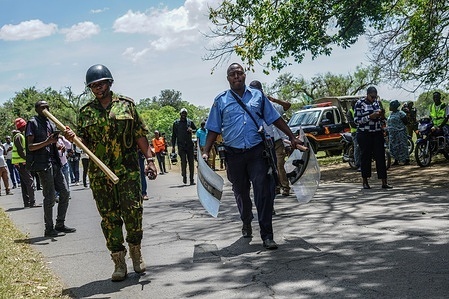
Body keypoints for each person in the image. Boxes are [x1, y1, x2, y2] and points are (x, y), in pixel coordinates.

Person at [65, 64, 158, 282]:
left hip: (128, 172)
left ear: (110, 83)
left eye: (101, 84)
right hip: (100, 175)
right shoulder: (86, 112)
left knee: (133, 213)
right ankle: (118, 261)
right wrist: (73, 139)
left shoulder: (127, 106)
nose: (98, 88)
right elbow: (84, 142)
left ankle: (136, 252)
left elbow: (140, 135)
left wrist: (150, 160)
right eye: (93, 86)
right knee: (109, 218)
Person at [201, 63, 306, 250]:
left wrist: (291, 137)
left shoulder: (258, 96)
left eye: (239, 73)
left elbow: (274, 118)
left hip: (257, 151)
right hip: (233, 155)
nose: (236, 77)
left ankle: (267, 235)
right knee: (240, 192)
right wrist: (206, 150)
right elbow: (213, 128)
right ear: (228, 78)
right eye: (232, 74)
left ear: (244, 76)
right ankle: (246, 220)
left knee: (263, 191)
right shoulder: (221, 100)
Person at [26, 100, 76, 237]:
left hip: (55, 163)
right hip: (43, 165)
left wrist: (57, 145)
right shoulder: (32, 123)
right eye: (42, 107)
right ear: (37, 109)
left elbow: (53, 141)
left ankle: (60, 223)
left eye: (47, 107)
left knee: (65, 192)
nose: (46, 109)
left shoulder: (50, 123)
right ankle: (49, 228)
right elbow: (30, 147)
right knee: (50, 197)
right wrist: (47, 142)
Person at [249, 80, 292, 197]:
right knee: (266, 168)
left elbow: (287, 105)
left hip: (276, 141)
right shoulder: (249, 106)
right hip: (260, 141)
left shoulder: (271, 105)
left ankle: (285, 186)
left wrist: (273, 99)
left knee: (279, 164)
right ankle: (275, 187)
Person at [354, 86, 392, 189]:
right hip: (365, 133)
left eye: (375, 97)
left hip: (377, 132)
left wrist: (382, 116)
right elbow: (356, 120)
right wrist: (370, 116)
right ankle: (365, 182)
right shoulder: (359, 104)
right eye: (372, 97)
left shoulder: (377, 103)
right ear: (367, 94)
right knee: (365, 157)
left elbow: (383, 120)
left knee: (380, 157)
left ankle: (384, 182)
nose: (374, 99)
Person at [12, 118, 36, 207]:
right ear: (23, 126)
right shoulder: (19, 136)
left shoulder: (19, 135)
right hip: (22, 163)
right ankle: (32, 202)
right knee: (30, 182)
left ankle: (27, 202)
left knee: (24, 183)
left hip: (20, 163)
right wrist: (27, 159)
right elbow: (20, 150)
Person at [171, 108, 197, 185]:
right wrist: (173, 146)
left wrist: (192, 130)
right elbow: (174, 135)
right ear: (180, 114)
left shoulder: (190, 122)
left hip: (189, 145)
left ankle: (191, 180)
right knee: (183, 162)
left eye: (185, 113)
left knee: (191, 163)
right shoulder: (176, 123)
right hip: (181, 145)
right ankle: (184, 176)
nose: (184, 115)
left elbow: (196, 129)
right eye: (182, 113)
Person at [387, 100, 410, 165]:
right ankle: (396, 160)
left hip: (400, 132)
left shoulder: (401, 113)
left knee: (402, 146)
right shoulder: (391, 114)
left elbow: (405, 122)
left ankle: (406, 159)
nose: (390, 107)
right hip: (392, 133)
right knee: (393, 146)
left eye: (391, 106)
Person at [347, 99, 361, 171]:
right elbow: (351, 123)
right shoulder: (350, 112)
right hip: (355, 132)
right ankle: (358, 164)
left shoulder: (361, 110)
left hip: (362, 131)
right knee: (357, 147)